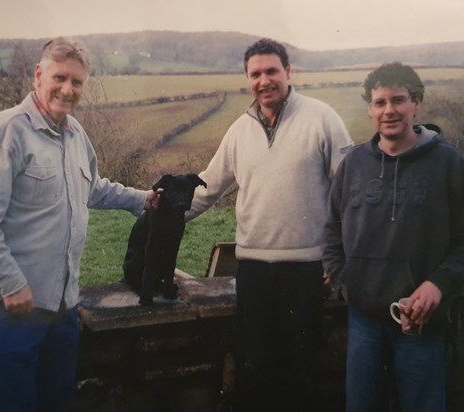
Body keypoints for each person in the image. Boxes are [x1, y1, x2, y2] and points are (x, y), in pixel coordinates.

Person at [0, 37, 159, 412]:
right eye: (59, 78)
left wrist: (141, 198)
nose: (67, 89)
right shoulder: (7, 133)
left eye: (77, 82)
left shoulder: (75, 133)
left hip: (62, 311)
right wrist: (11, 282)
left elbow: (90, 188)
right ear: (38, 75)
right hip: (9, 311)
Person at [186, 38, 353, 411]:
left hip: (308, 270)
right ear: (247, 79)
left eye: (272, 71)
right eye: (256, 74)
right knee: (255, 373)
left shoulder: (322, 118)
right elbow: (206, 188)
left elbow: (351, 194)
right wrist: (154, 209)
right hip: (254, 271)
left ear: (288, 72)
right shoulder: (240, 130)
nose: (264, 81)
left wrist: (341, 256)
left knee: (301, 373)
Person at [322, 62, 464, 412]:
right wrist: (344, 282)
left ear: (416, 103)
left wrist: (438, 284)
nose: (389, 110)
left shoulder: (448, 163)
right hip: (363, 320)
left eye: (398, 100)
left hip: (420, 323)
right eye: (380, 102)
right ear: (370, 110)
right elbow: (330, 230)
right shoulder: (352, 164)